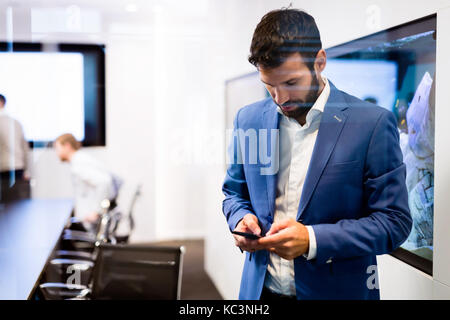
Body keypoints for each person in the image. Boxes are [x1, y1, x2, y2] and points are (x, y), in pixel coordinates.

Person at [222, 9, 412, 300]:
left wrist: (312, 239)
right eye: (269, 86)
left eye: (291, 83)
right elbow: (234, 193)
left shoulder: (371, 123)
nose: (280, 98)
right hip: (260, 292)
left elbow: (393, 222)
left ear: (319, 62)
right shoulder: (249, 120)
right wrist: (240, 218)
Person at [54, 133, 121, 231]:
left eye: (57, 148)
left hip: (91, 222)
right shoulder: (81, 159)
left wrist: (96, 211)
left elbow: (104, 182)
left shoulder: (79, 164)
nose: (56, 152)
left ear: (67, 146)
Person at [0, 94, 31, 203]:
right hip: (18, 168)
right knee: (16, 206)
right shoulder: (16, 122)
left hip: (3, 170)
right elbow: (25, 149)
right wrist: (27, 170)